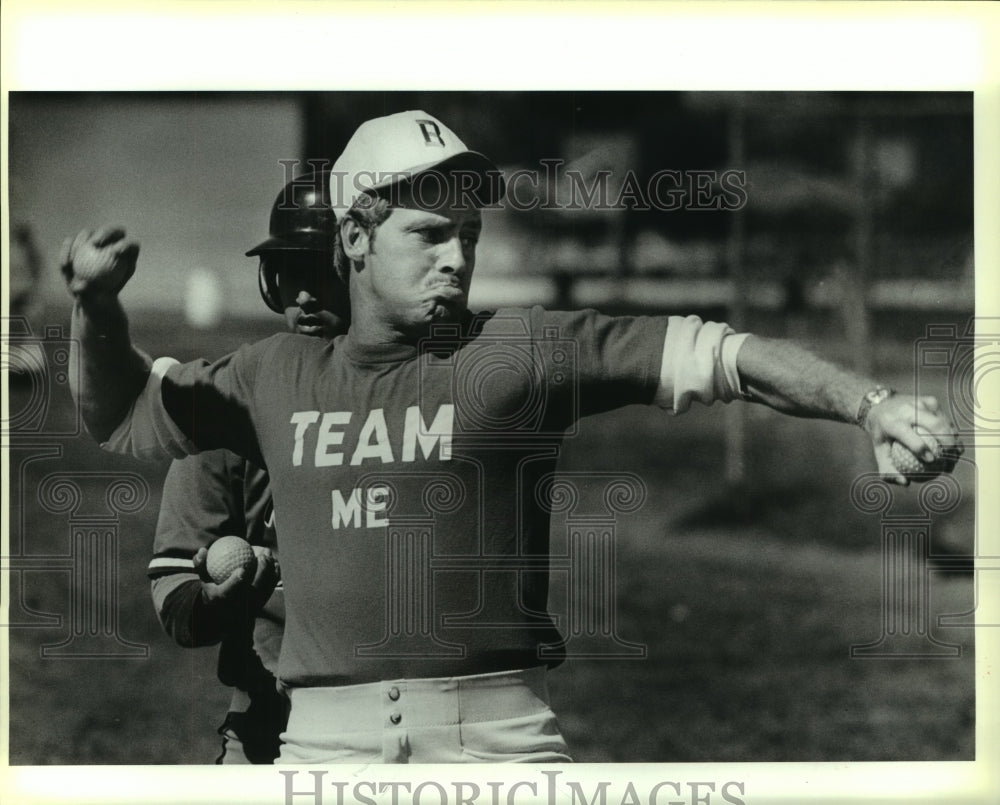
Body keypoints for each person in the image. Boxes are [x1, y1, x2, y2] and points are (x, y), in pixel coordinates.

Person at [60, 110, 962, 764]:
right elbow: (123, 409)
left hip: (498, 743)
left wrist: (870, 404)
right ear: (356, 238)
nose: (458, 255)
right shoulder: (271, 374)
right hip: (318, 747)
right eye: (428, 233)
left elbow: (719, 352)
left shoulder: (523, 350)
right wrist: (96, 308)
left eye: (469, 233)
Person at [146, 172, 348, 763]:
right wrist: (222, 598)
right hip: (270, 722)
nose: (305, 295)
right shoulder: (228, 409)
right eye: (290, 272)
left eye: (325, 272)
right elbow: (178, 602)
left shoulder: (416, 403)